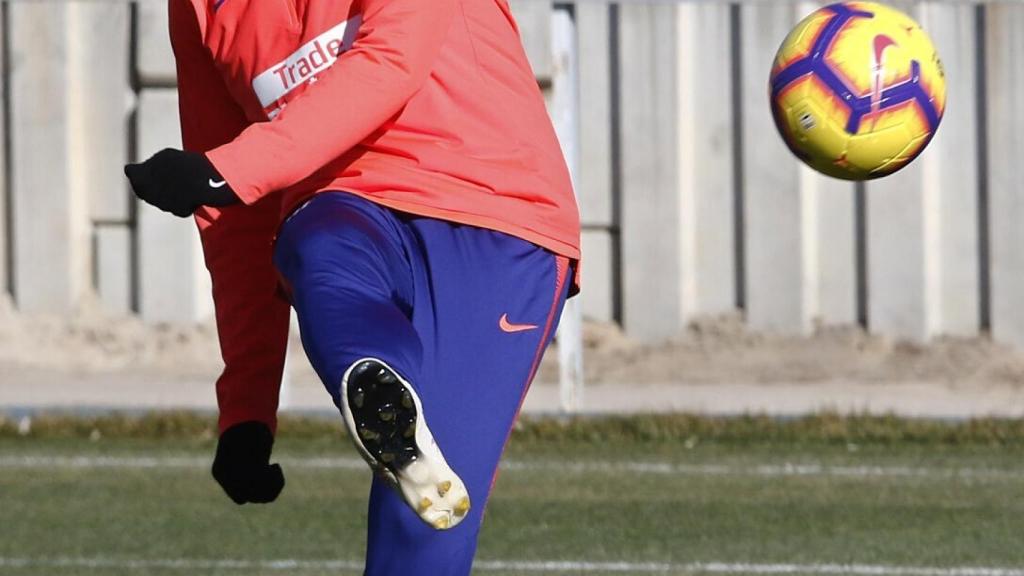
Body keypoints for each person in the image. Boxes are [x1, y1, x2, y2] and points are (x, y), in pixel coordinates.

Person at [125, 0, 580, 572]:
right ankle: (382, 387)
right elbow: (236, 215)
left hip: (496, 219)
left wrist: (231, 171)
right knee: (313, 237)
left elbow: (392, 59)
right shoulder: (195, 10)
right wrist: (247, 405)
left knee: (421, 534)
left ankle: (391, 402)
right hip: (347, 211)